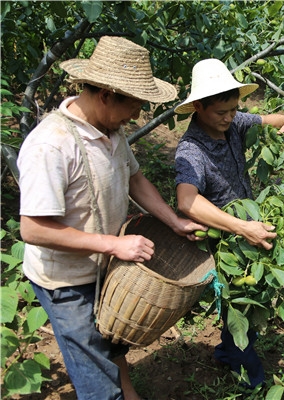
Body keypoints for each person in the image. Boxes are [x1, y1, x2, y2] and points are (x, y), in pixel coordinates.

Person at [17, 36, 205, 400]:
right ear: (106, 95)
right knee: (95, 369)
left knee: (113, 342)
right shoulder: (51, 145)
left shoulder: (111, 131)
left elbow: (135, 179)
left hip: (106, 268)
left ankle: (128, 393)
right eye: (134, 106)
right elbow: (33, 229)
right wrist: (113, 244)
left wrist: (174, 221)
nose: (136, 116)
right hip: (66, 281)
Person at [173, 58, 284, 388]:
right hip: (226, 243)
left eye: (233, 109)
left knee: (250, 302)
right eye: (221, 112)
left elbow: (276, 119)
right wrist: (242, 227)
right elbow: (187, 201)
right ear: (198, 107)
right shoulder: (191, 149)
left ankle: (227, 353)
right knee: (239, 311)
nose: (229, 117)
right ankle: (250, 381)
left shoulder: (233, 123)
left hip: (249, 234)